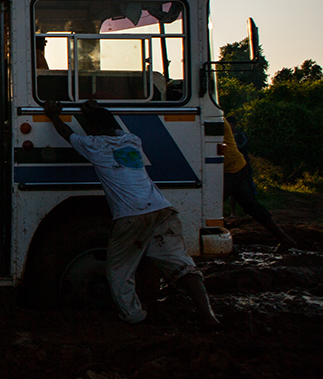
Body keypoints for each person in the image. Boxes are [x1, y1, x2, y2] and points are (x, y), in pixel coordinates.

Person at [43, 100, 218, 326]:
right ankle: (207, 315)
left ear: (93, 129)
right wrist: (95, 112)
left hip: (130, 216)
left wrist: (53, 115)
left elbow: (66, 132)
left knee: (118, 271)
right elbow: (108, 129)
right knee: (182, 266)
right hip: (161, 210)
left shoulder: (94, 146)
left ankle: (134, 317)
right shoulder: (132, 140)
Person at [223, 116, 296, 251]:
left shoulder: (214, 118)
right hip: (234, 167)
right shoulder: (215, 116)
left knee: (210, 204)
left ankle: (228, 244)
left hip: (232, 169)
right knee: (250, 205)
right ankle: (284, 238)